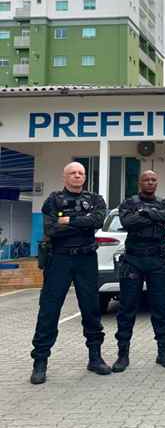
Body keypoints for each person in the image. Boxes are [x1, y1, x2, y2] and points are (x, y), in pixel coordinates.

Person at [30, 162, 111, 385]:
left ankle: (95, 357)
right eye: (73, 173)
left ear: (85, 177)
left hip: (86, 259)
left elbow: (97, 221)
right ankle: (40, 361)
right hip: (60, 259)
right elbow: (51, 229)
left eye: (81, 173)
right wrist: (79, 224)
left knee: (91, 308)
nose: (77, 176)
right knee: (49, 309)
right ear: (65, 177)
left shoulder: (95, 200)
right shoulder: (53, 200)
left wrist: (69, 221)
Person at [112, 171, 165, 371]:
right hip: (133, 260)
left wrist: (143, 213)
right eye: (146, 180)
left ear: (157, 183)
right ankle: (123, 355)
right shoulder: (128, 203)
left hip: (157, 261)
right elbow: (127, 222)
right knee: (127, 307)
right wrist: (152, 217)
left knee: (161, 307)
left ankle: (163, 352)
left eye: (153, 180)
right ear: (140, 182)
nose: (150, 182)